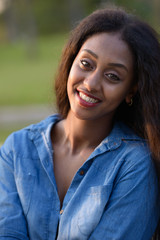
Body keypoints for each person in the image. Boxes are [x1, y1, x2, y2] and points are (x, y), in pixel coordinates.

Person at [0, 7, 160, 240]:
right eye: (86, 63)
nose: (92, 83)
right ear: (71, 60)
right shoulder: (17, 148)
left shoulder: (135, 165)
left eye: (113, 76)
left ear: (131, 91)